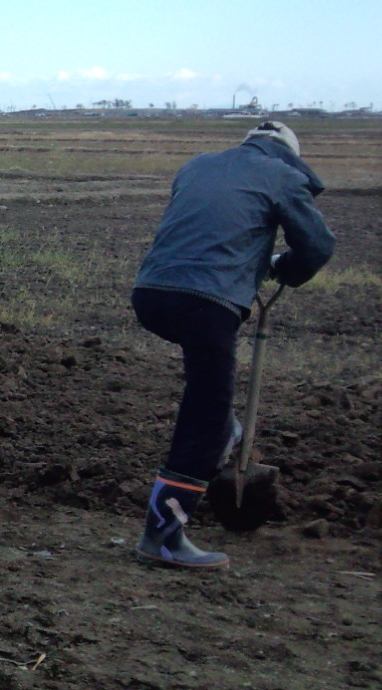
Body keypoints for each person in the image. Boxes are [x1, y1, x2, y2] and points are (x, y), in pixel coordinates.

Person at [129, 120, 335, 569]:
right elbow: (317, 246)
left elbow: (211, 227)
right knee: (207, 417)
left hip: (151, 295)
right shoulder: (283, 175)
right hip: (206, 303)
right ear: (288, 154)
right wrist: (285, 269)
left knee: (207, 396)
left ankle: (224, 429)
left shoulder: (198, 165)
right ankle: (162, 536)